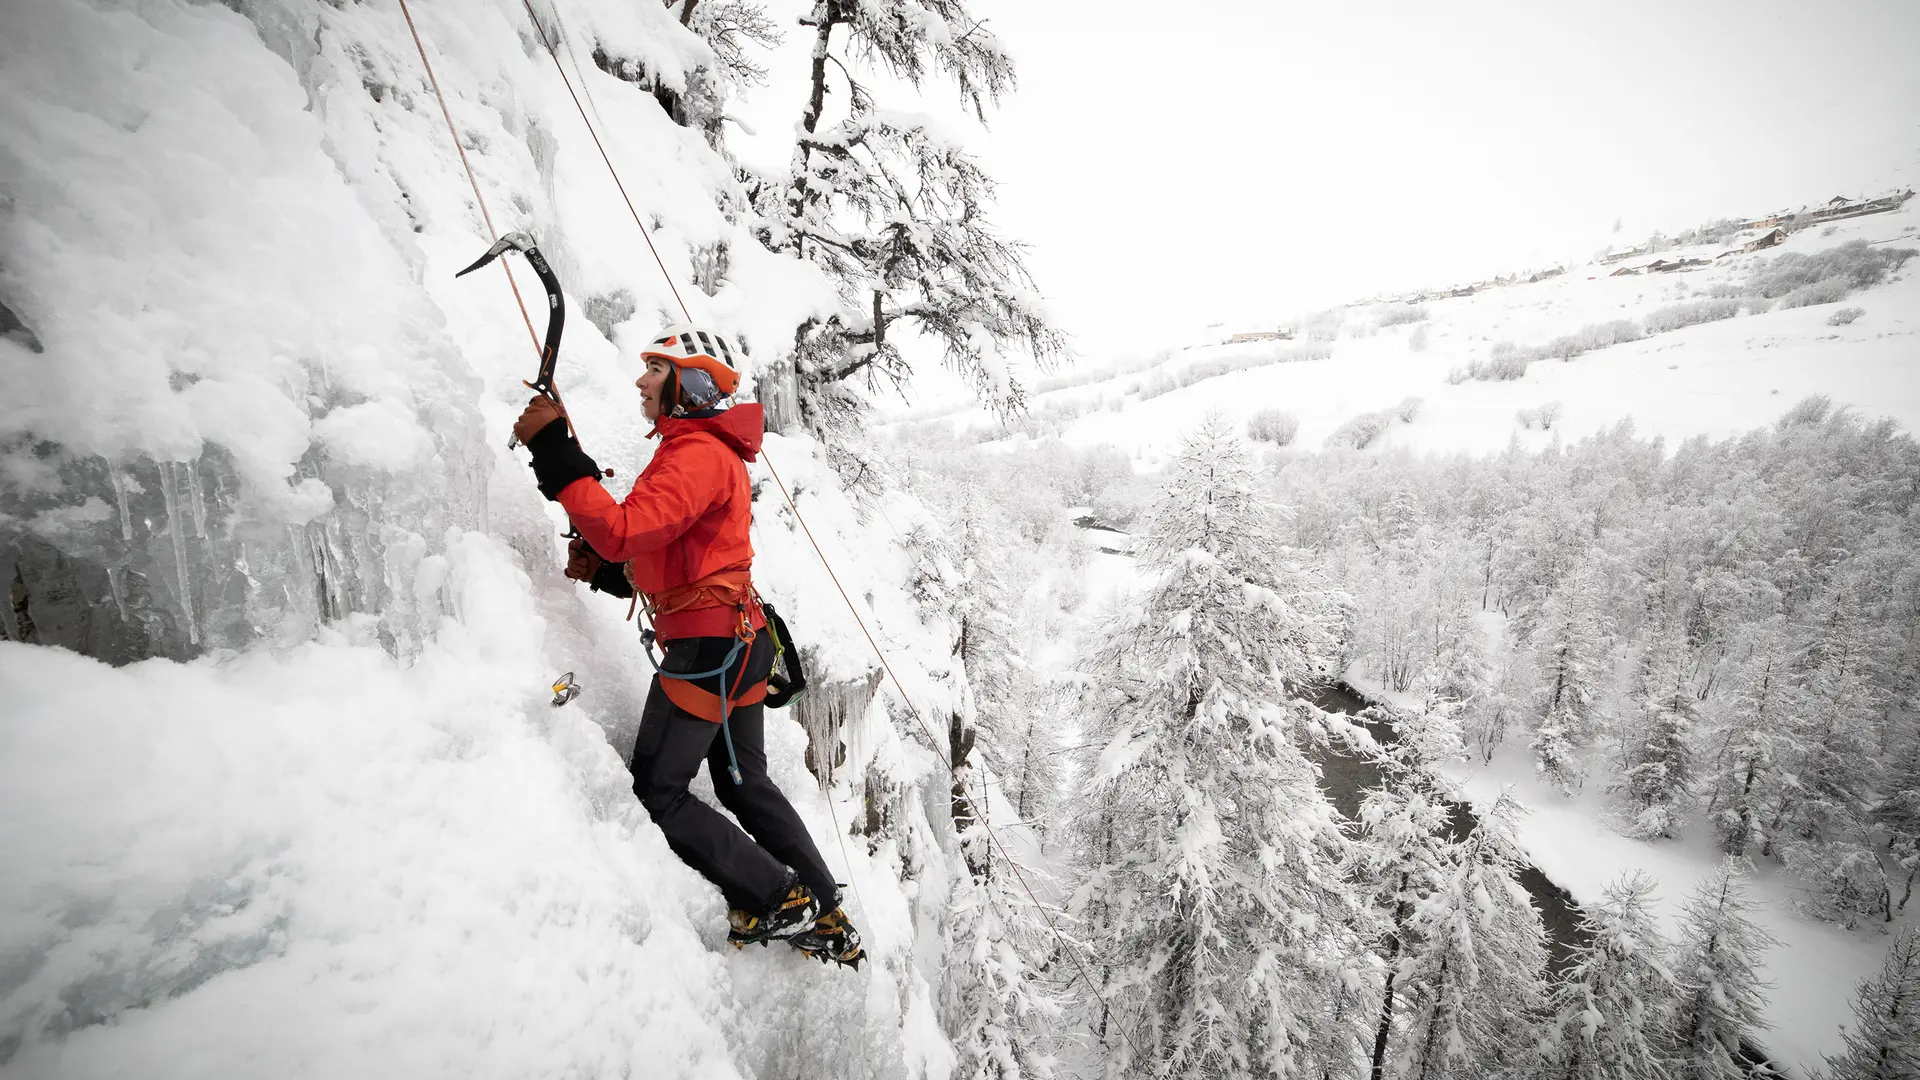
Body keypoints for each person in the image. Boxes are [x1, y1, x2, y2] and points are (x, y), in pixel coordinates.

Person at [511, 323, 862, 967]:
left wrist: (555, 450)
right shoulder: (704, 454)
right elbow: (681, 556)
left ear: (687, 385)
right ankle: (822, 907)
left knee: (658, 791)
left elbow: (621, 530)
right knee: (741, 781)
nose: (641, 380)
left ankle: (777, 898)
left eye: (655, 369)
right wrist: (613, 576)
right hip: (737, 639)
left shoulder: (696, 454)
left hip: (708, 650)